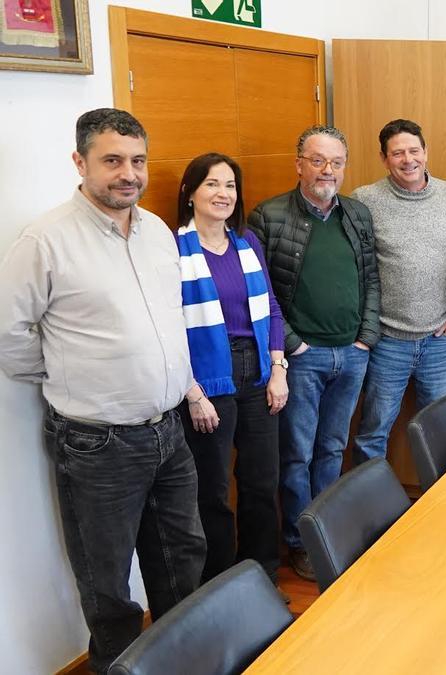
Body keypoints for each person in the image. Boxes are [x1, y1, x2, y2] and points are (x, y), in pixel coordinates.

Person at [0, 108, 206, 672]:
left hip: (168, 430)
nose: (129, 174)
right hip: (96, 445)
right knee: (108, 583)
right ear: (80, 162)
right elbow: (8, 333)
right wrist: (73, 374)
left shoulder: (159, 231)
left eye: (137, 160)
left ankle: (180, 662)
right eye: (112, 160)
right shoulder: (45, 241)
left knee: (182, 559)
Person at [248, 125, 380, 581]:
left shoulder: (358, 214)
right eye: (318, 160)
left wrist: (366, 336)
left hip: (353, 353)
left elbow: (372, 280)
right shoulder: (269, 216)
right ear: (299, 163)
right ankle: (301, 543)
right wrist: (291, 345)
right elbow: (260, 292)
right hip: (302, 358)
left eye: (336, 162)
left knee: (332, 449)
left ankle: (328, 533)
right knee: (298, 455)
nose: (328, 170)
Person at [174, 153, 287, 585]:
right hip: (207, 379)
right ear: (190, 193)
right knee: (213, 490)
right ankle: (220, 588)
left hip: (257, 370)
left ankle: (262, 577)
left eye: (230, 186)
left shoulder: (246, 243)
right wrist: (193, 394)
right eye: (212, 185)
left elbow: (272, 307)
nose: (223, 194)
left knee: (261, 483)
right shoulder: (174, 248)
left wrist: (278, 369)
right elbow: (168, 327)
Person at [350, 119, 446, 463]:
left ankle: (441, 509)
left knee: (444, 431)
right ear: (384, 159)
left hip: (440, 341)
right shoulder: (365, 200)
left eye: (414, 150)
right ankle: (368, 512)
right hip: (387, 341)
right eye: (397, 153)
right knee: (373, 431)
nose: (408, 159)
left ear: (426, 152)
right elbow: (359, 269)